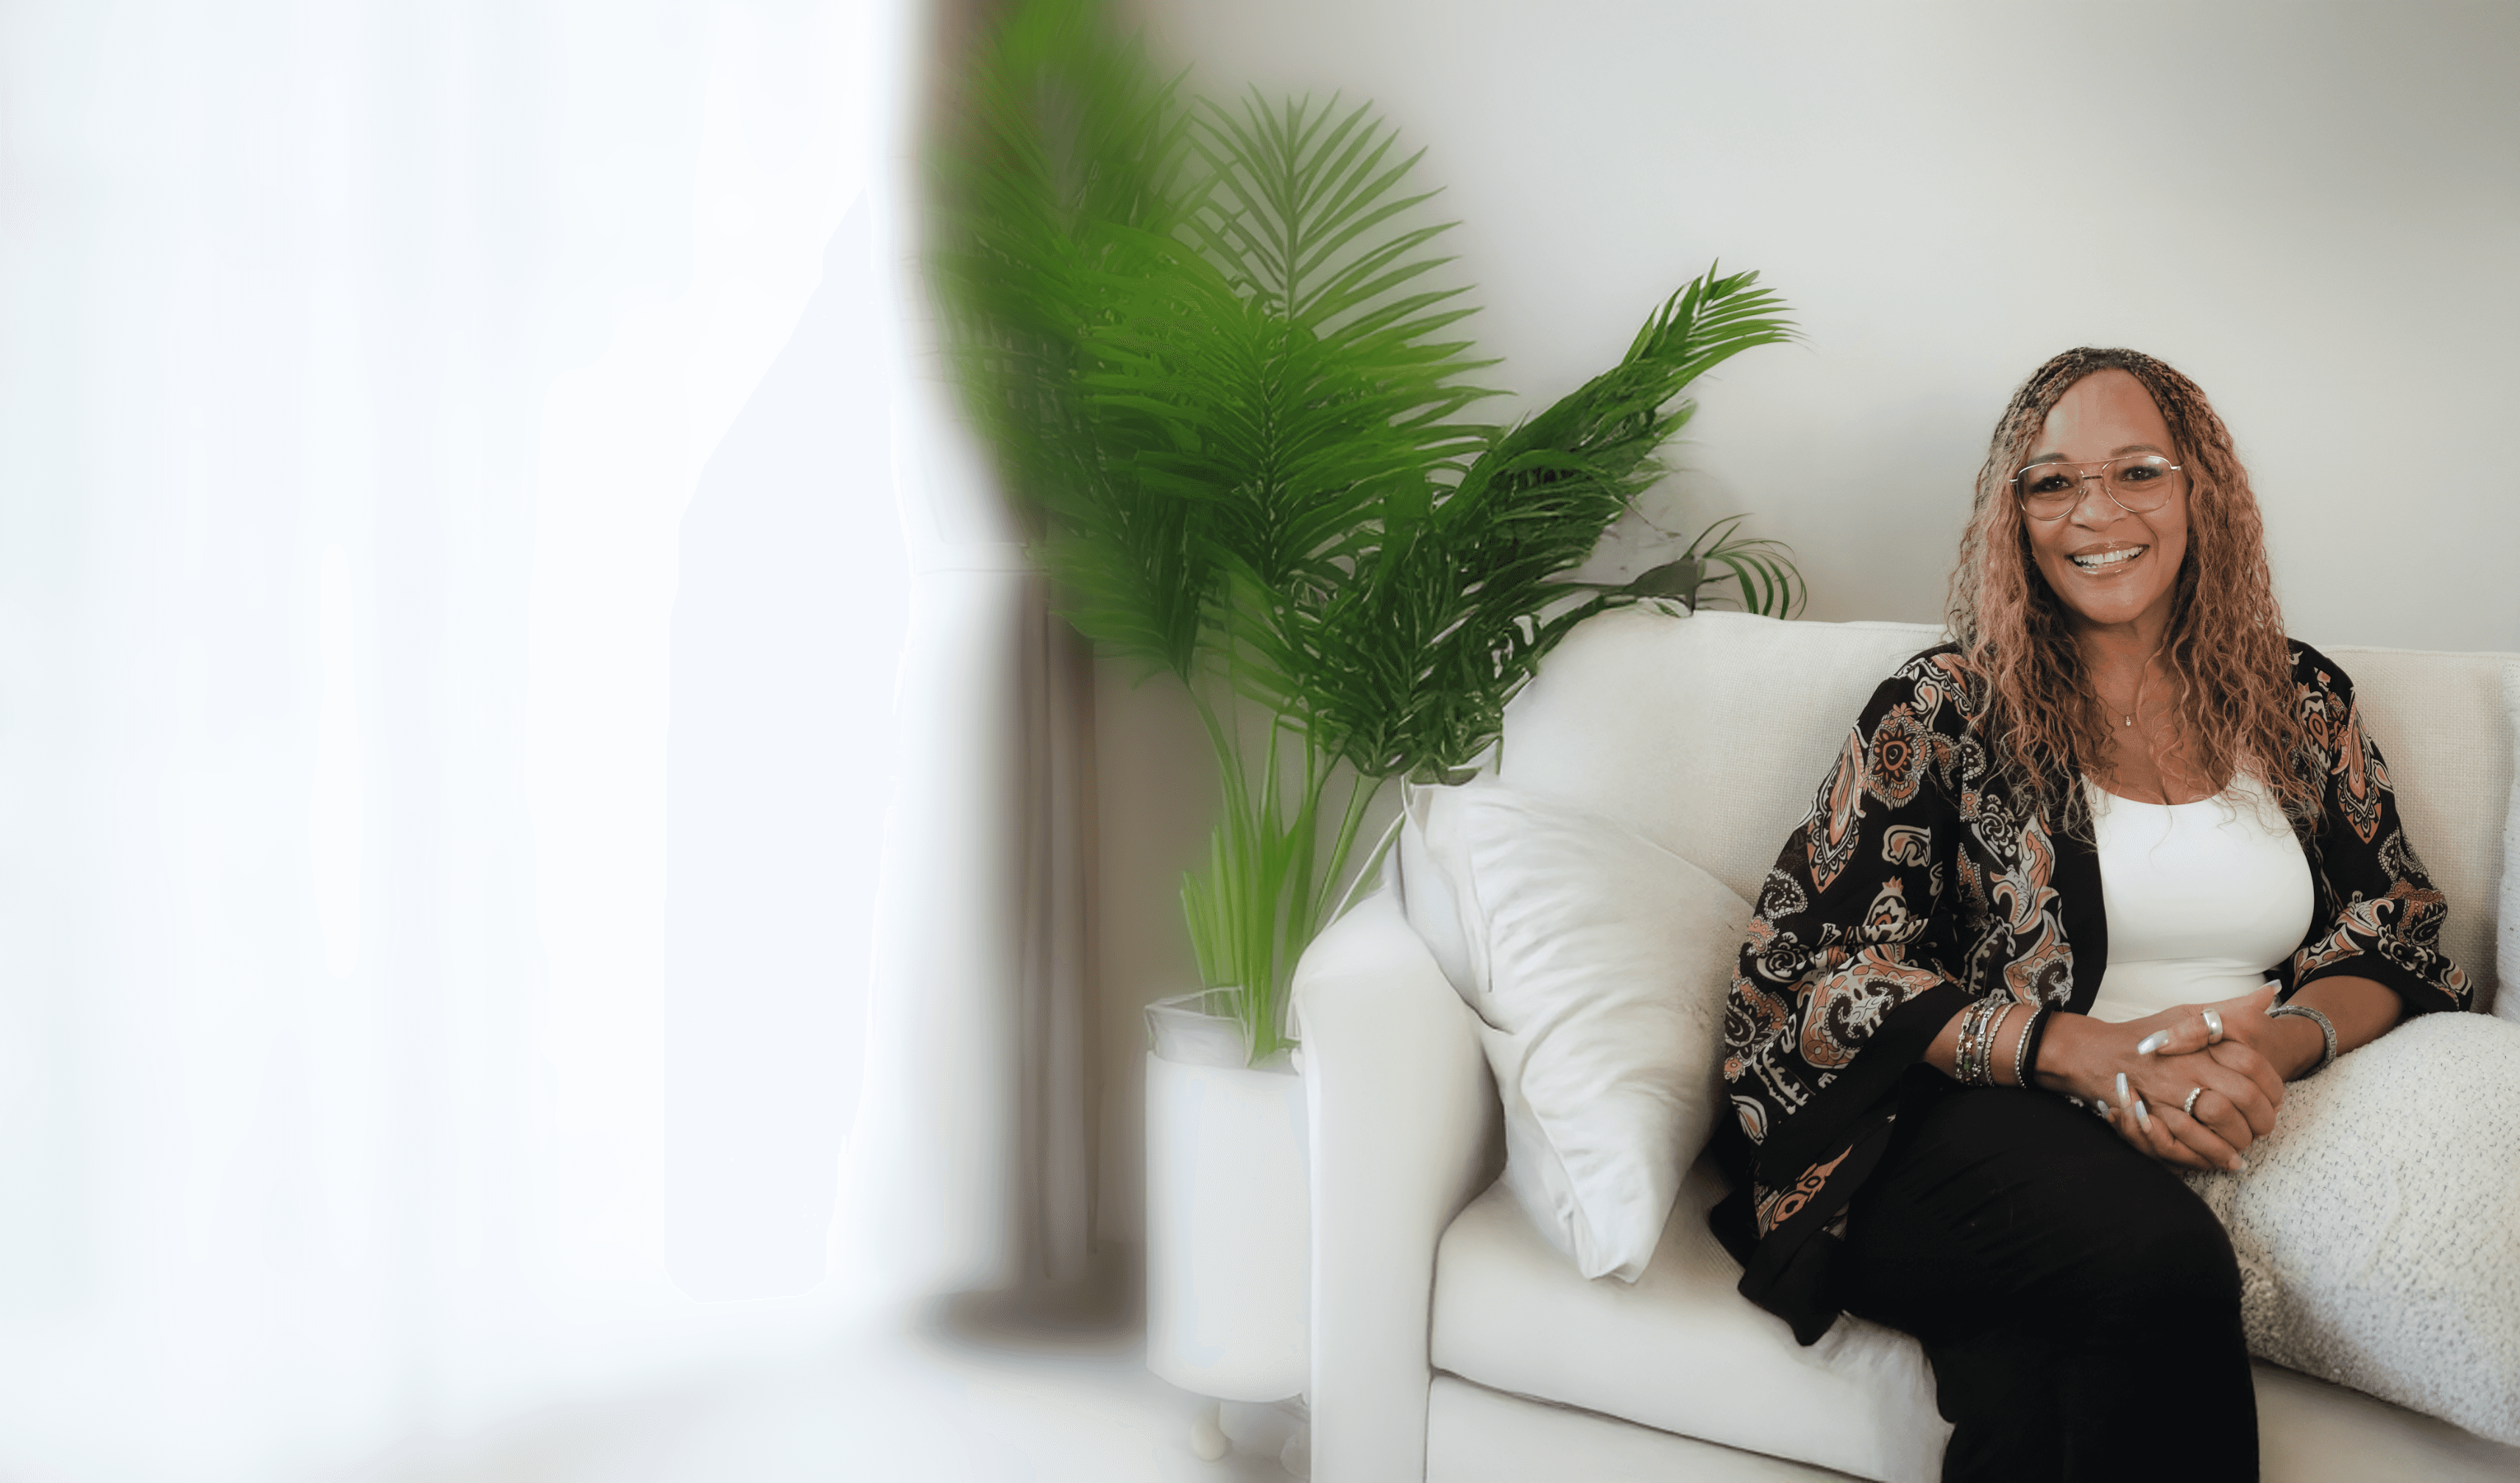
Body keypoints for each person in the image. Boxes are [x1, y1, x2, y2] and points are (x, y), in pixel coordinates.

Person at [1706, 347, 2472, 1483]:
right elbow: (1813, 965)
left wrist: (2269, 1048)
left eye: (2138, 472)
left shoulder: (2299, 700)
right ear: (2012, 517)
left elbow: (2393, 925)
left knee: (2038, 1391)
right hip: (1954, 1126)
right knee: (2160, 1256)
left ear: (2201, 491)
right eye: (2053, 482)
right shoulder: (1944, 705)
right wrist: (2087, 1055)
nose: (2096, 513)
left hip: (2210, 1103)